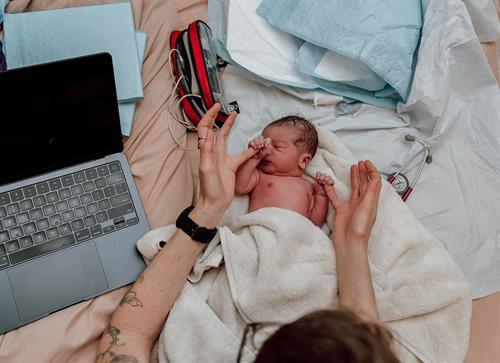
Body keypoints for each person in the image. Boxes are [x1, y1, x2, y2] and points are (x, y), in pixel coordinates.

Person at [96, 104, 395, 363]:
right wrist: (351, 245)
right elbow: (364, 346)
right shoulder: (266, 175)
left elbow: (128, 333)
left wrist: (207, 210)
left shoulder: (305, 186)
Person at [235, 116, 332, 227]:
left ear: (304, 161)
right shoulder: (261, 175)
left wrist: (321, 196)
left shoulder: (308, 187)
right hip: (261, 229)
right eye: (264, 145)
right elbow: (239, 187)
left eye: (277, 147)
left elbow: (315, 224)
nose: (266, 151)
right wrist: (253, 158)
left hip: (293, 237)